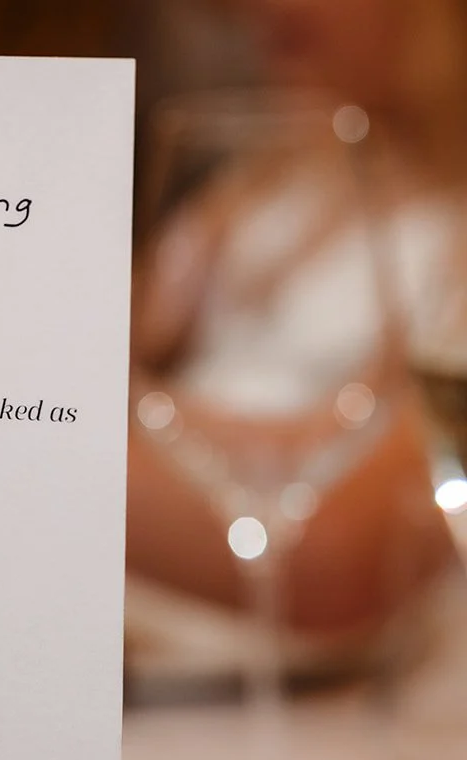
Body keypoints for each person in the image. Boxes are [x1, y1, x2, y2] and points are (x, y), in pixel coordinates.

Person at [127, 0, 465, 668]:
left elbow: (345, 545)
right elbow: (99, 350)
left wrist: (35, 435)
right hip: (156, 649)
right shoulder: (257, 188)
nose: (266, 8)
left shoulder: (447, 234)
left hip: (334, 683)